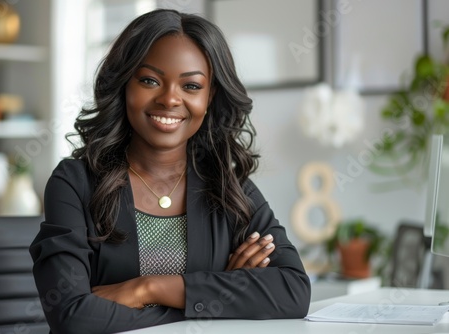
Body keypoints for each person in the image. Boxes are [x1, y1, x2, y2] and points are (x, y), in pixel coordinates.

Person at [29, 8, 310, 334]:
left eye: (191, 86)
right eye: (150, 80)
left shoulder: (229, 188)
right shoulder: (74, 182)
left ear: (210, 96)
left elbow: (294, 291)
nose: (169, 99)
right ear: (124, 85)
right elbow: (72, 316)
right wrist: (218, 299)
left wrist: (146, 288)